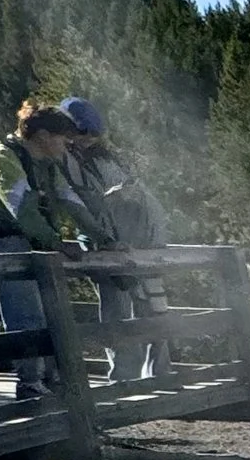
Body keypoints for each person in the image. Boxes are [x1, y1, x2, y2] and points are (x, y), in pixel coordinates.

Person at [0, 101, 89, 413]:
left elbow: (71, 200)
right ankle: (29, 385)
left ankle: (52, 380)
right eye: (61, 137)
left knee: (49, 310)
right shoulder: (0, 157)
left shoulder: (46, 164)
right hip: (1, 240)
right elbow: (20, 206)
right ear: (40, 135)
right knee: (24, 312)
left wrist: (102, 238)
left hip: (31, 240)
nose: (67, 144)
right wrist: (57, 241)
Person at [56, 95, 169, 380]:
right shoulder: (64, 160)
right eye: (83, 132)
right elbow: (78, 202)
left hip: (137, 239)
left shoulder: (108, 157)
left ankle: (158, 371)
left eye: (93, 133)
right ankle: (123, 373)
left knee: (153, 305)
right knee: (116, 309)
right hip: (103, 243)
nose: (88, 139)